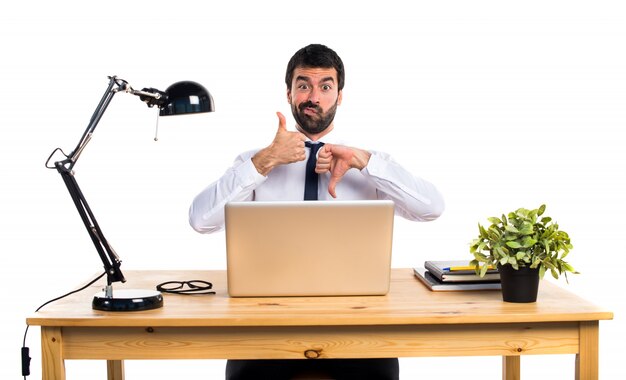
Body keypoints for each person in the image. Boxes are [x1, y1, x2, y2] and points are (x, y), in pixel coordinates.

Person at [189, 44, 444, 380]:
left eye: (325, 86)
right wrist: (265, 161)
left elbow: (432, 208)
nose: (314, 96)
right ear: (289, 93)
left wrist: (362, 162)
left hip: (357, 325)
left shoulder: (370, 163)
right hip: (267, 325)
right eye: (303, 85)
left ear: (339, 96)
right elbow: (200, 220)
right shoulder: (254, 162)